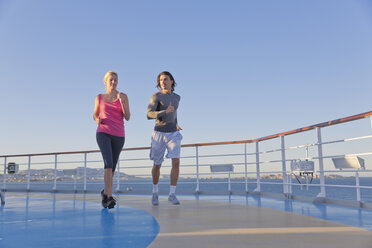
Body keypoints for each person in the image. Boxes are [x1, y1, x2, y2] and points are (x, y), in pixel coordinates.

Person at [93, 71, 130, 209]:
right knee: (108, 164)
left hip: (119, 135)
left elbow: (128, 117)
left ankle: (104, 193)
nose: (113, 82)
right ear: (105, 81)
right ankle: (109, 197)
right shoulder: (99, 97)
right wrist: (97, 119)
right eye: (111, 80)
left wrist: (122, 102)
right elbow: (95, 114)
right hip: (103, 133)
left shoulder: (123, 96)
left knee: (112, 167)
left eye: (115, 80)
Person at [147, 71, 182, 205]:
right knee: (157, 164)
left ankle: (172, 194)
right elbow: (149, 114)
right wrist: (164, 112)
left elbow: (174, 112)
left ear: (171, 81)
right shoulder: (156, 96)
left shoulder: (177, 98)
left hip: (173, 133)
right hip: (159, 133)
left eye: (165, 79)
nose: (163, 82)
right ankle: (155, 191)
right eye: (160, 80)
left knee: (176, 162)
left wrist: (177, 123)